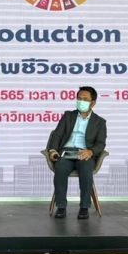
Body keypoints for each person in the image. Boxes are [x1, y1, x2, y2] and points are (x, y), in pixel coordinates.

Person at [46, 86, 107, 220]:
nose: (81, 101)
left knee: (86, 170)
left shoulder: (100, 122)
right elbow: (57, 135)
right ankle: (61, 206)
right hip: (66, 152)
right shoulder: (68, 116)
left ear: (93, 103)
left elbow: (101, 143)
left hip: (84, 153)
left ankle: (84, 207)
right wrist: (52, 150)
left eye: (85, 99)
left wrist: (91, 151)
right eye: (79, 98)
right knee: (60, 168)